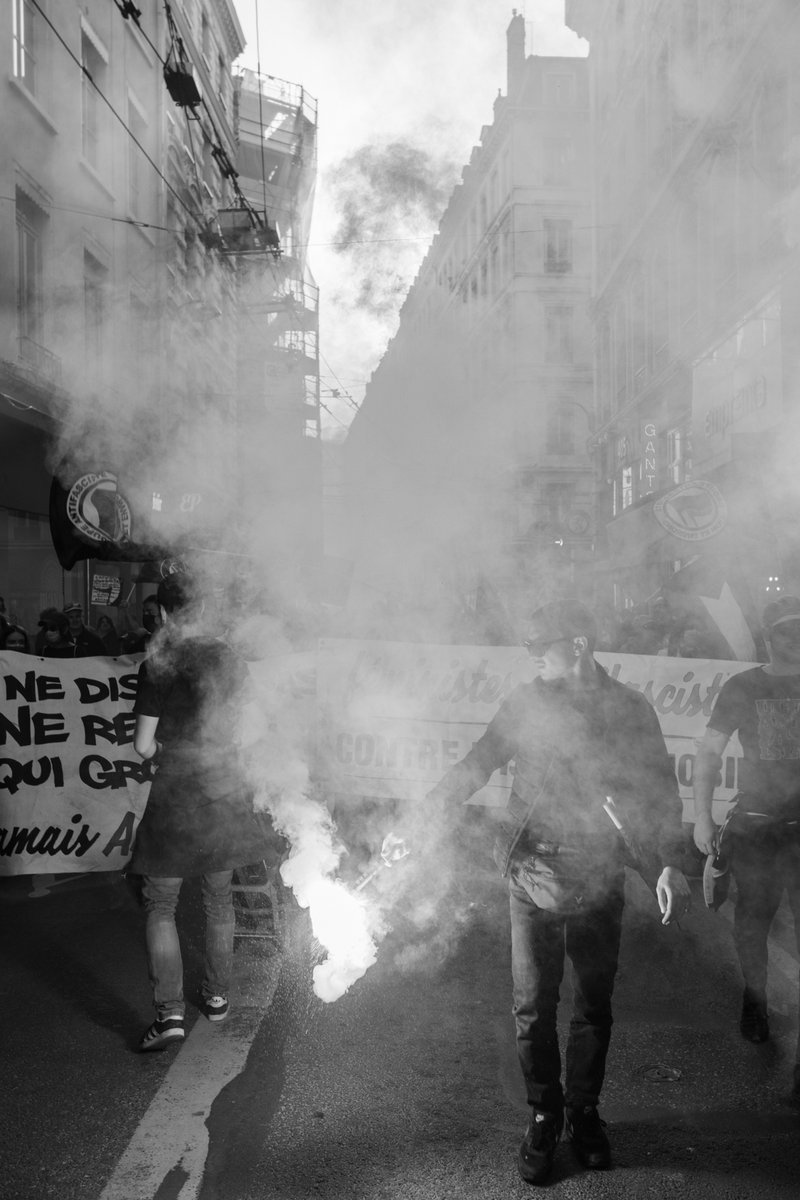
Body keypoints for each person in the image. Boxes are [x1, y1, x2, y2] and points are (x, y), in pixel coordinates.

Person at [388, 600, 690, 1185]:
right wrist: (417, 819)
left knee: (594, 1008)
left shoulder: (630, 709)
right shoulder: (526, 702)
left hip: (600, 876)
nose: (531, 656)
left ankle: (583, 1111)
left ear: (577, 644)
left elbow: (660, 792)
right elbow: (478, 763)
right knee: (532, 1008)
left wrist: (669, 865)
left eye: (539, 646)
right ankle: (546, 1112)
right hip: (529, 873)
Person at [130, 570, 277, 1052]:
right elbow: (252, 731)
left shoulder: (158, 663)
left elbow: (142, 745)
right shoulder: (230, 659)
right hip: (224, 790)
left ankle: (169, 1014)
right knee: (219, 901)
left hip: (175, 795)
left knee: (161, 904)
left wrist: (164, 753)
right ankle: (217, 999)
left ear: (167, 613)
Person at [693, 594, 800, 1100]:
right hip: (758, 827)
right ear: (768, 635)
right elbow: (709, 751)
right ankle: (754, 1000)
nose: (796, 636)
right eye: (786, 629)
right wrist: (702, 815)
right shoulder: (744, 685)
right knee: (752, 926)